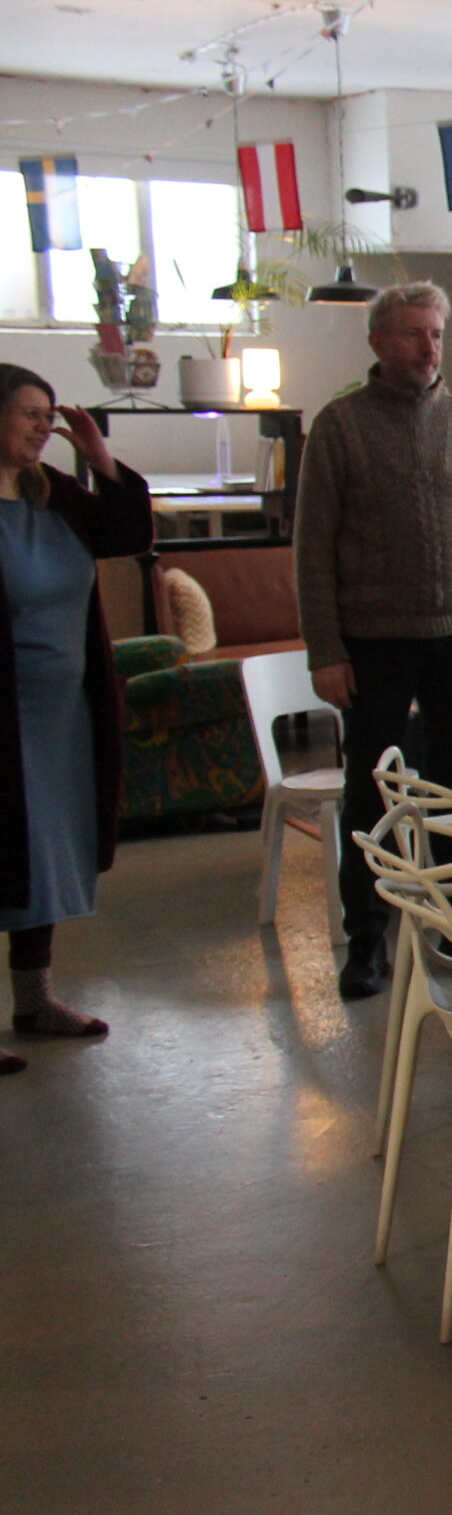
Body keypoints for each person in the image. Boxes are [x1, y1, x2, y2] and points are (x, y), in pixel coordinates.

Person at [294, 281, 452, 1000]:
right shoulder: (339, 427)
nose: (428, 348)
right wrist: (324, 649)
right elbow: (312, 549)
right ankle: (368, 937)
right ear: (378, 343)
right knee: (372, 792)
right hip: (373, 643)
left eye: (434, 334)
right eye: (413, 334)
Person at [0, 368, 150, 1077]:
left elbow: (123, 534)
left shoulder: (53, 492)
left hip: (63, 710)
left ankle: (35, 1000)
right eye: (28, 413)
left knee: (45, 856)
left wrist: (98, 462)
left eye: (47, 414)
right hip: (9, 710)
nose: (41, 426)